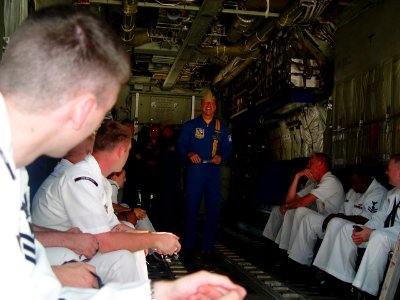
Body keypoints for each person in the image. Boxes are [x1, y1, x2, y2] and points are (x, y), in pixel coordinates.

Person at [0, 5, 246, 299]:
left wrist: (168, 292)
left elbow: (17, 267)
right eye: (102, 115)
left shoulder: (14, 168)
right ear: (83, 110)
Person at [32, 120, 180, 283]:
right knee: (122, 260)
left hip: (74, 246)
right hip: (51, 250)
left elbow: (114, 226)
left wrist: (151, 237)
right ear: (121, 150)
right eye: (128, 151)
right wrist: (154, 240)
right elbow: (103, 241)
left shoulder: (98, 180)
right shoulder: (81, 178)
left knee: (134, 249)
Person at [313, 154, 400, 298]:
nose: (386, 172)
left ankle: (366, 291)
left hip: (393, 237)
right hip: (386, 234)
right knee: (350, 229)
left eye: (389, 168)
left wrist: (371, 233)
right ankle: (339, 279)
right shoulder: (393, 194)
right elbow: (378, 218)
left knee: (379, 237)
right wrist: (364, 230)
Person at [287, 167, 387, 267]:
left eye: (356, 183)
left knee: (335, 222)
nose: (353, 186)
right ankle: (299, 262)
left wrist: (336, 217)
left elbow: (365, 219)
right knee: (309, 219)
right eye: (352, 184)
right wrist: (336, 216)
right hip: (340, 222)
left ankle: (323, 268)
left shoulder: (378, 192)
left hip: (359, 229)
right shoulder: (353, 191)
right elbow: (342, 212)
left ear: (365, 179)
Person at [177, 88, 232, 261]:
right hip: (195, 171)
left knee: (213, 210)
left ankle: (208, 247)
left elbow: (229, 149)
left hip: (213, 173)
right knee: (191, 208)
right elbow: (180, 146)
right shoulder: (190, 126)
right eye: (205, 103)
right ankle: (189, 246)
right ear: (201, 105)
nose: (208, 106)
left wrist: (221, 157)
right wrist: (189, 154)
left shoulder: (222, 128)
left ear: (215, 107)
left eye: (211, 104)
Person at [263, 153, 345, 251]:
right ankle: (283, 248)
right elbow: (290, 200)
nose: (307, 166)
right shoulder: (315, 182)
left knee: (299, 210)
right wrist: (297, 176)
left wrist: (287, 206)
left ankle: (293, 252)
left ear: (321, 164)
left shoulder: (330, 181)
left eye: (311, 163)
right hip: (319, 218)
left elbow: (302, 202)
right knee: (287, 210)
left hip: (331, 222)